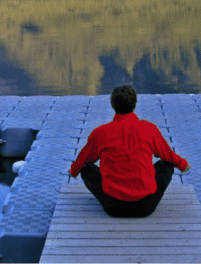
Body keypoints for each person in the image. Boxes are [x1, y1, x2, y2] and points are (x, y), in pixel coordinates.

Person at [69, 85, 190, 218]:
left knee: (85, 167)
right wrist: (183, 164)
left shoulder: (101, 133)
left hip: (113, 206)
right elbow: (168, 154)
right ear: (134, 104)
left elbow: (84, 157)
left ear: (112, 105)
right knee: (167, 164)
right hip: (146, 206)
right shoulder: (149, 129)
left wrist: (74, 171)